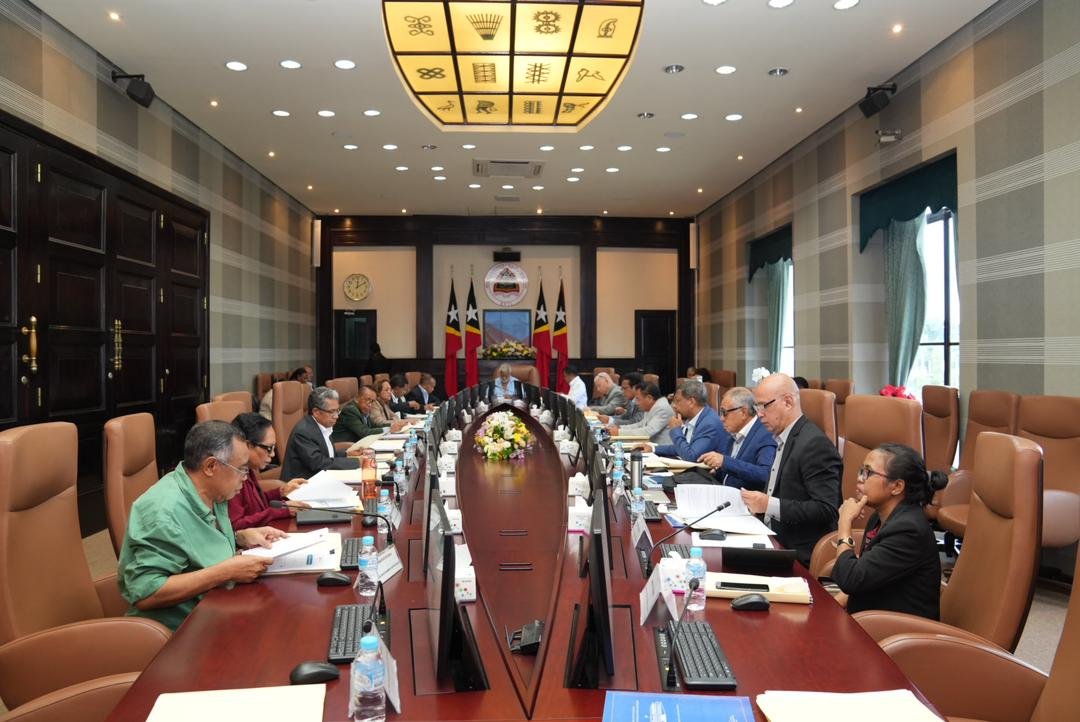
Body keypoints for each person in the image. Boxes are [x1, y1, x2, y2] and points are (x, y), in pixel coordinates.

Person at [118, 421, 287, 630]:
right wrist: (224, 572)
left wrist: (239, 537)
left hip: (221, 608)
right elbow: (145, 593)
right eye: (242, 469)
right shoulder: (164, 511)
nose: (246, 478)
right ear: (210, 466)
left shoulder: (214, 492)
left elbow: (195, 543)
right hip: (183, 631)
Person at [831, 443, 948, 620]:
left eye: (868, 472)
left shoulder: (909, 531)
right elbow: (868, 575)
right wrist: (832, 605)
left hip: (895, 630)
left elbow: (851, 579)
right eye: (861, 470)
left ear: (897, 486)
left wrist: (844, 523)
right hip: (869, 616)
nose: (860, 478)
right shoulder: (880, 517)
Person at [740, 373, 842, 566]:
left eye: (764, 406)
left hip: (795, 552)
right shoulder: (783, 436)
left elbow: (826, 509)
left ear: (788, 402)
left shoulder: (814, 444)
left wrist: (767, 505)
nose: (759, 414)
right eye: (757, 407)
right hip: (770, 536)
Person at [227, 413, 309, 529]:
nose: (273, 454)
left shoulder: (249, 468)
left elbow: (256, 504)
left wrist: (281, 492)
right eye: (269, 448)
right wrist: (281, 510)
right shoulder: (232, 475)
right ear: (248, 445)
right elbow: (235, 527)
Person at [698, 387, 777, 491]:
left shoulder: (765, 434)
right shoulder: (732, 432)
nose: (721, 418)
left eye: (724, 413)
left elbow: (765, 475)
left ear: (743, 412)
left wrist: (724, 461)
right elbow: (731, 469)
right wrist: (717, 470)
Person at [280, 387, 361, 480]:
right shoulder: (303, 432)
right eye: (332, 411)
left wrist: (347, 454)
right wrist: (357, 462)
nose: (336, 416)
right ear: (316, 412)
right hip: (302, 485)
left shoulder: (323, 425)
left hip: (319, 478)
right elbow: (319, 463)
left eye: (337, 410)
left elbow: (326, 454)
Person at [650, 379, 729, 461]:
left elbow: (691, 456)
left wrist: (675, 429)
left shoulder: (709, 424)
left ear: (691, 402)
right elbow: (682, 448)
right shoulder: (693, 418)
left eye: (677, 400)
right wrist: (653, 449)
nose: (674, 406)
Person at [608, 382, 674, 445]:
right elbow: (641, 424)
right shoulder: (652, 406)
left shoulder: (662, 408)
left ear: (649, 398)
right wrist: (620, 428)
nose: (636, 403)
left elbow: (648, 431)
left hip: (661, 450)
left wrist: (620, 432)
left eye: (637, 398)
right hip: (649, 446)